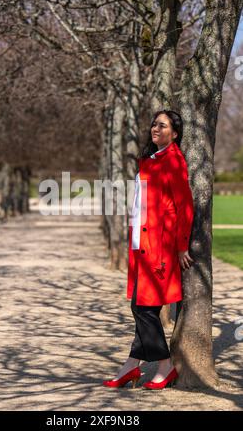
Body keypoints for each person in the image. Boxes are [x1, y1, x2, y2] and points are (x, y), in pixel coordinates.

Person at [102, 110, 195, 390]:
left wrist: (180, 248)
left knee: (143, 309)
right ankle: (132, 365)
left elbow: (185, 208)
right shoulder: (151, 160)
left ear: (175, 133)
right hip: (142, 244)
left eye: (163, 125)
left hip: (159, 247)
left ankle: (165, 366)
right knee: (142, 307)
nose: (156, 128)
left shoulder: (174, 162)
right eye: (154, 124)